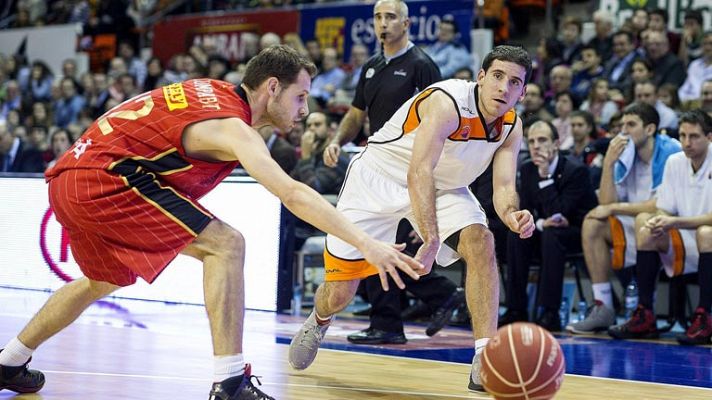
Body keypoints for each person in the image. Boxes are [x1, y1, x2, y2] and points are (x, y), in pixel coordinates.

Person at [0, 45, 422, 400]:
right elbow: (293, 193)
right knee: (227, 244)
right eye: (300, 97)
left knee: (102, 281)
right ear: (271, 87)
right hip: (104, 179)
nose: (304, 109)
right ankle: (230, 381)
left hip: (70, 176)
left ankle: (8, 362)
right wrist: (366, 243)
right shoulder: (232, 128)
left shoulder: (215, 94)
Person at [290, 45, 535, 392]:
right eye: (497, 77)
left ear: (522, 92)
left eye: (514, 83)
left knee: (482, 241)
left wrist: (512, 213)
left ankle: (484, 356)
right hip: (379, 178)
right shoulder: (447, 102)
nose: (503, 89)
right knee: (341, 292)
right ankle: (318, 320)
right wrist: (432, 239)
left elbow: (505, 185)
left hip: (444, 187)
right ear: (480, 78)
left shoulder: (511, 126)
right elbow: (418, 170)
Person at [321, 0, 456, 344]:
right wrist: (337, 139)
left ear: (407, 24)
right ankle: (407, 312)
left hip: (409, 165)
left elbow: (442, 120)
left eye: (391, 17)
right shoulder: (370, 66)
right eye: (378, 17)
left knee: (378, 242)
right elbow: (356, 113)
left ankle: (417, 306)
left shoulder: (422, 66)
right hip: (377, 164)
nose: (383, 23)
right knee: (376, 243)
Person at [566, 102, 681, 334]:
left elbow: (661, 204)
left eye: (631, 125)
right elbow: (606, 203)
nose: (623, 132)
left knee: (644, 219)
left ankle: (644, 309)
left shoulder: (672, 150)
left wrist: (614, 209)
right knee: (592, 222)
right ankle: (603, 305)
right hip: (637, 223)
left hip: (670, 226)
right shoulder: (625, 153)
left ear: (649, 129)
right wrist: (608, 162)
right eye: (621, 126)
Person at [607, 109, 712, 342]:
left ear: (709, 137)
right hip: (684, 238)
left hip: (705, 239)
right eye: (683, 135)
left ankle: (706, 315)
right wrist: (659, 220)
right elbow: (665, 207)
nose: (686, 142)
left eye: (694, 136)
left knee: (707, 233)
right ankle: (645, 314)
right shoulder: (675, 161)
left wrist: (674, 221)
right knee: (646, 229)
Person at [499, 120, 597, 331]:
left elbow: (560, 213)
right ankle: (516, 309)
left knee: (554, 233)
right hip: (544, 228)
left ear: (556, 144)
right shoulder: (527, 169)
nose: (536, 146)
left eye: (542, 140)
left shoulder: (575, 170)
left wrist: (545, 178)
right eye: (531, 141)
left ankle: (549, 311)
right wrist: (540, 223)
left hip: (576, 233)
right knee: (516, 233)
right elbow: (526, 210)